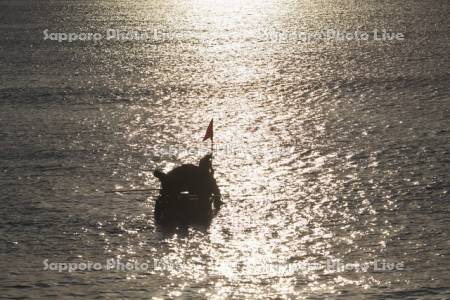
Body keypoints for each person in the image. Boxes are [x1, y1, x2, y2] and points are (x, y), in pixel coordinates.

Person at [153, 154, 221, 199]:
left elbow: (216, 193)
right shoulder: (190, 169)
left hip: (199, 198)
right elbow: (174, 175)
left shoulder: (208, 178)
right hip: (177, 189)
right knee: (171, 187)